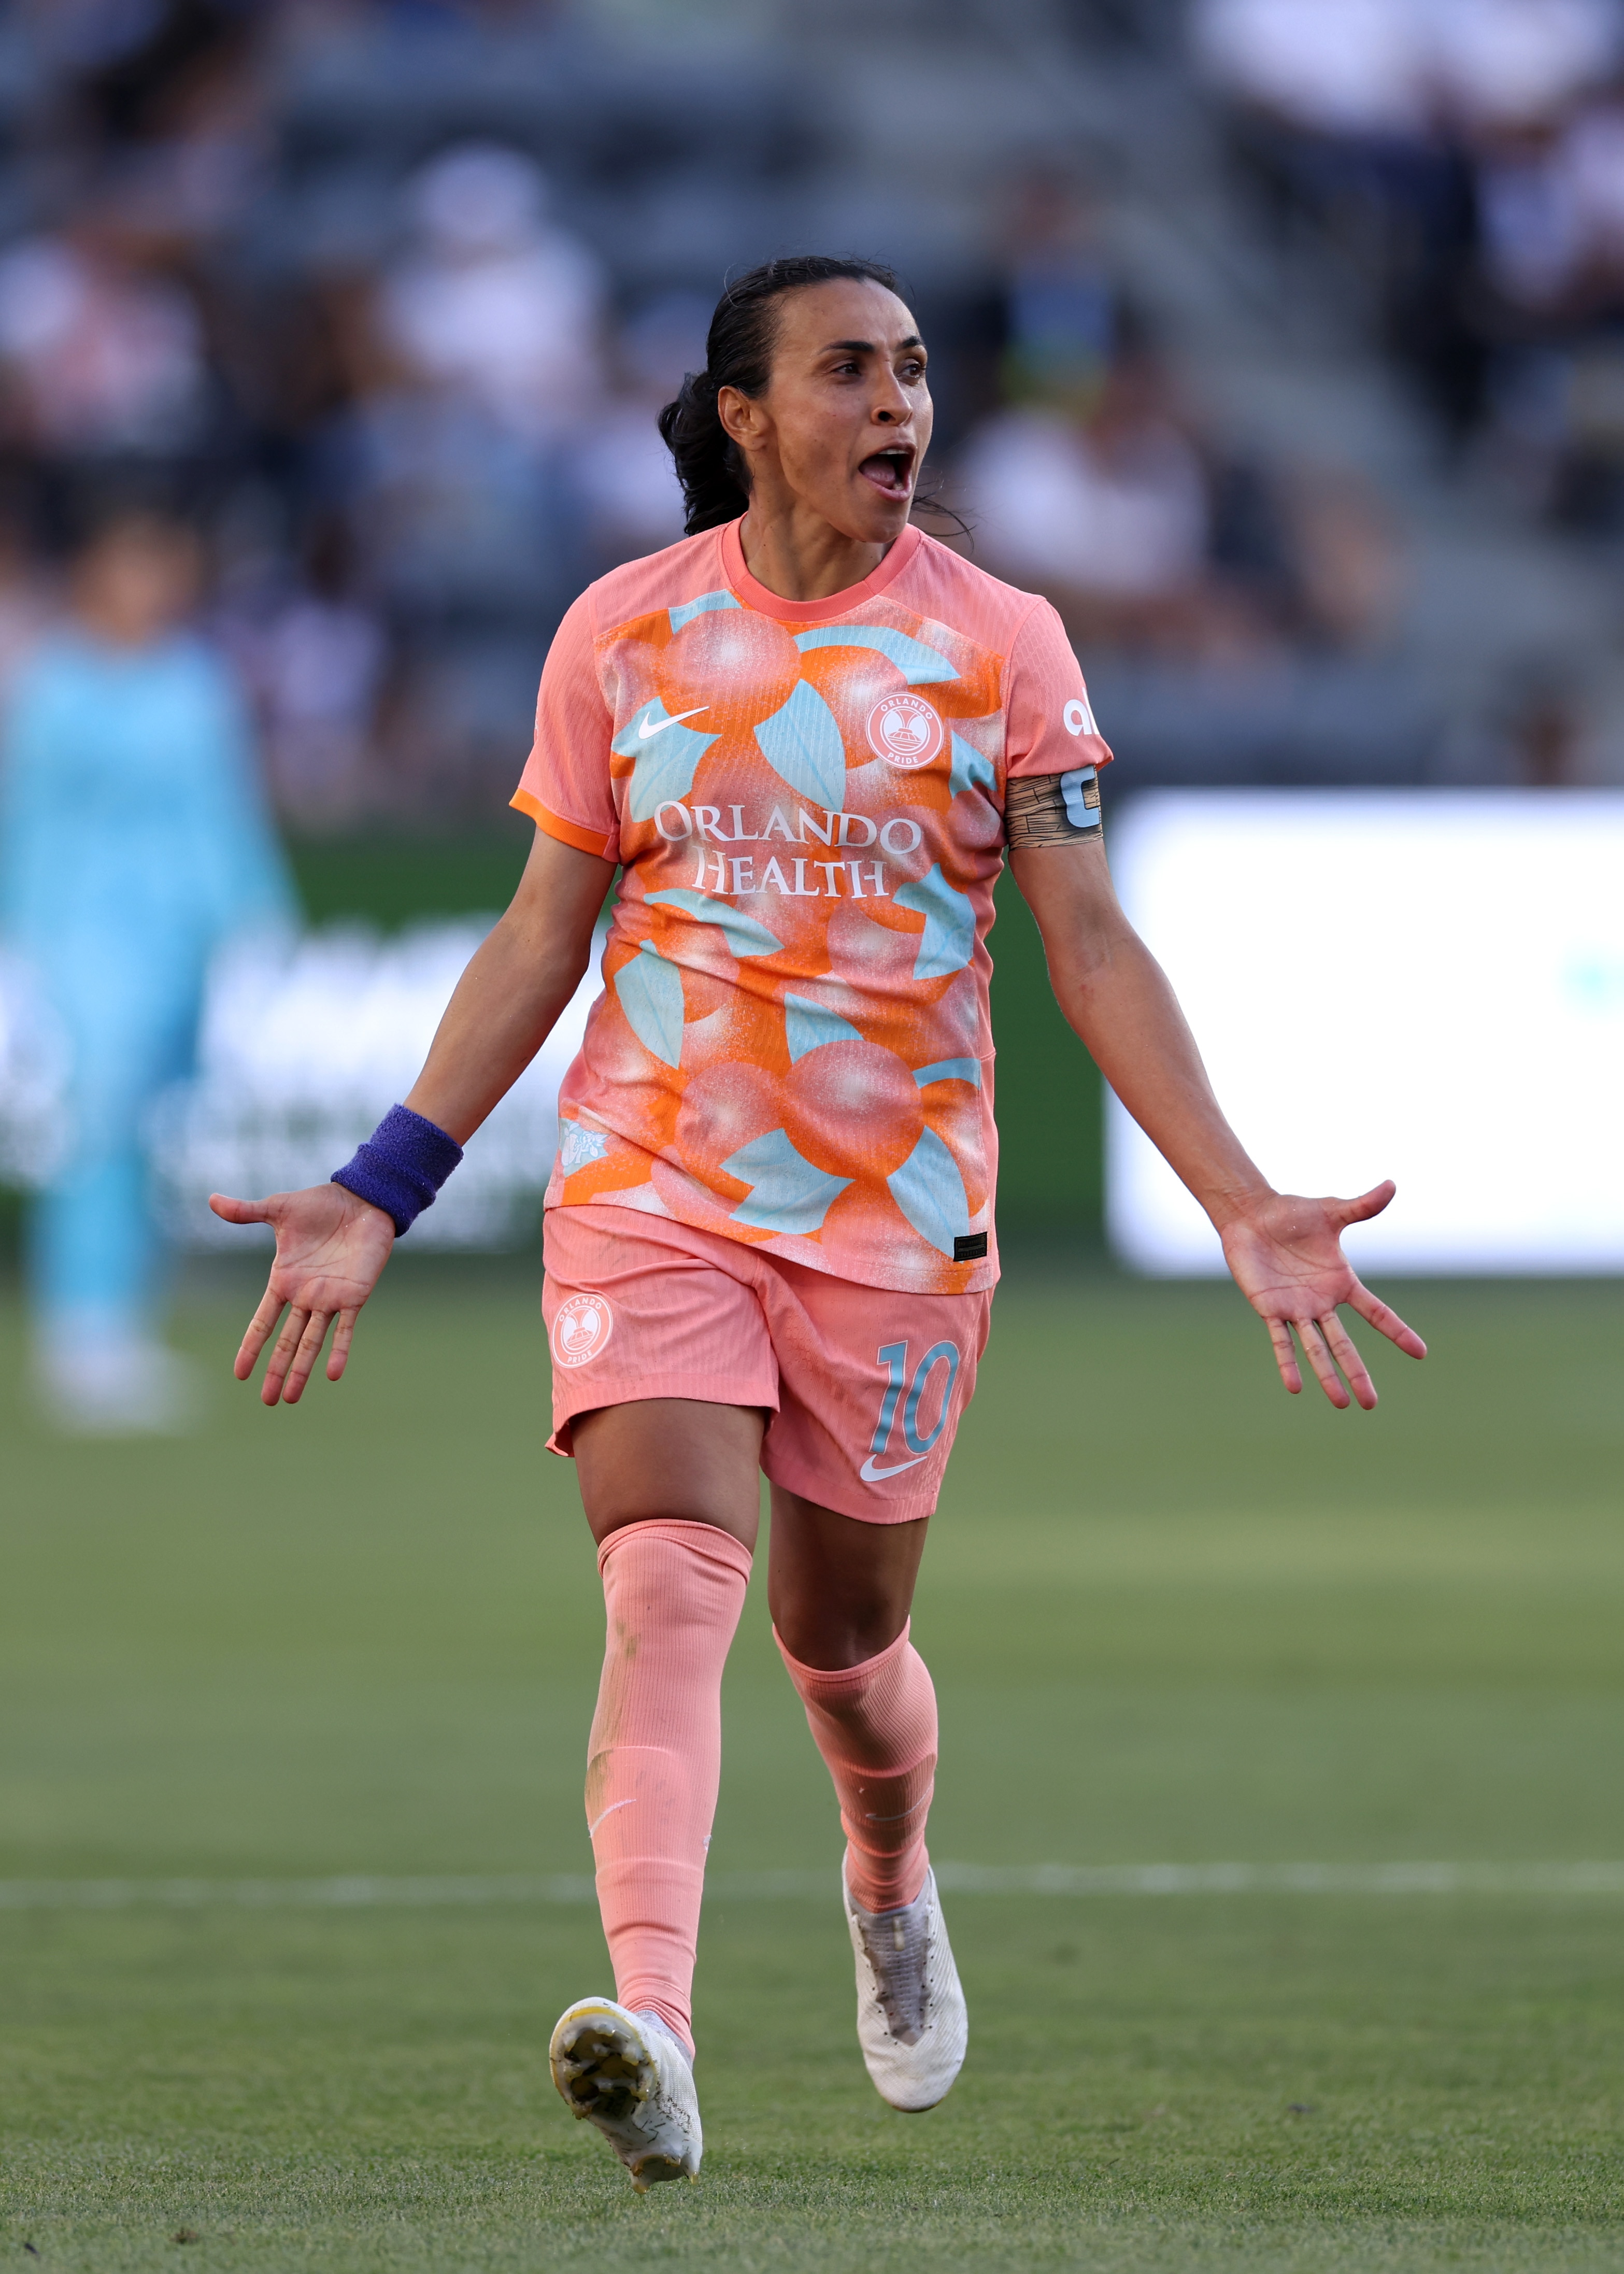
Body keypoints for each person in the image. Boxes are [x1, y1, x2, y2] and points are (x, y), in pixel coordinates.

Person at [210, 255, 1426, 2192]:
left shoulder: (1002, 644)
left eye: (916, 372)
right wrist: (383, 1182)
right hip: (654, 1185)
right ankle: (657, 2027)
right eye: (850, 371)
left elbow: (1084, 940)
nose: (900, 406)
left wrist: (1238, 1198)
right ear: (750, 415)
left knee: (840, 1639)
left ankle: (886, 1868)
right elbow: (542, 931)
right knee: (667, 1578)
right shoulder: (621, 630)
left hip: (895, 1226)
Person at [1, 504, 294, 1429]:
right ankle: (83, 1326)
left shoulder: (193, 682)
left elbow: (225, 807)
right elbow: (28, 818)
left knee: (148, 1121)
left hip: (182, 935)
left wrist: (254, 912)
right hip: (84, 927)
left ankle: (123, 1302)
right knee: (100, 1111)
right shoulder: (54, 686)